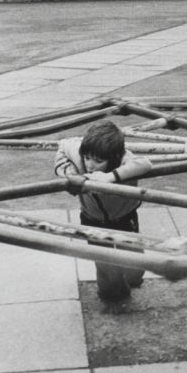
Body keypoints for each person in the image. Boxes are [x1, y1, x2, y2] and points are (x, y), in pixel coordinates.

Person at [55, 120, 152, 305]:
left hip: (124, 219)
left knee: (135, 267)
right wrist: (70, 173)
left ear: (114, 158)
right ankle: (112, 298)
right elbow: (63, 145)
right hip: (92, 220)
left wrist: (110, 177)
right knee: (105, 265)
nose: (90, 165)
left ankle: (131, 280)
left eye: (98, 161)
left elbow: (145, 163)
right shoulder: (80, 152)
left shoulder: (125, 159)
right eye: (87, 158)